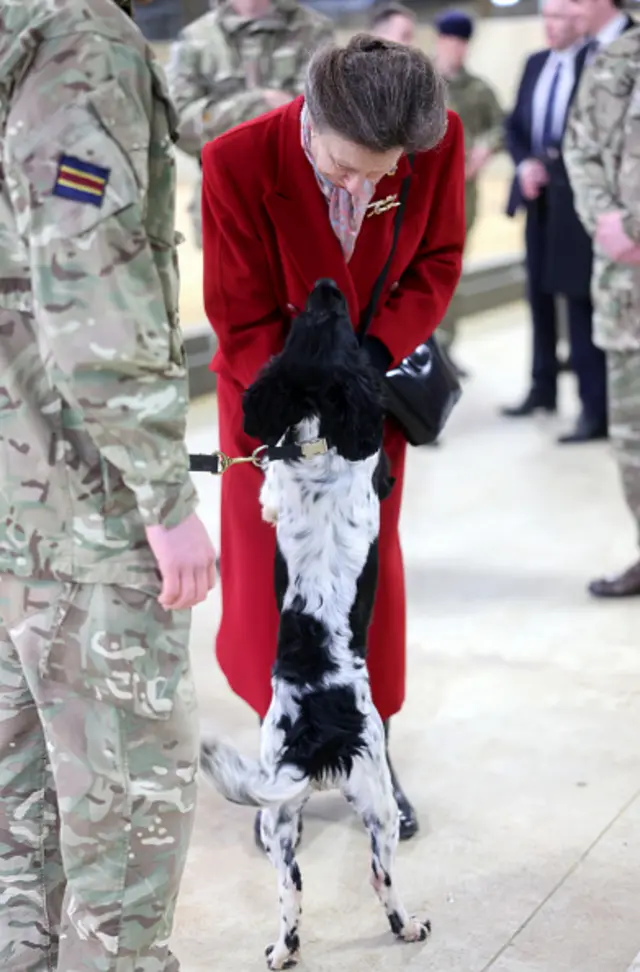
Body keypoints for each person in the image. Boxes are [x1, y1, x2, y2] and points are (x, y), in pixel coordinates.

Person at [202, 34, 466, 845]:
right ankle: (280, 749)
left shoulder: (434, 141)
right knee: (267, 576)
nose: (366, 184)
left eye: (381, 172)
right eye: (346, 170)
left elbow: (437, 261)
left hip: (368, 397)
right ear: (311, 122)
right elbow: (239, 313)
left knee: (364, 570)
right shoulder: (238, 162)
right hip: (269, 392)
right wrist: (298, 402)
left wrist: (371, 361)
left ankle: (370, 747)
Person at [0, 1, 217, 969]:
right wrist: (166, 502)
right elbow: (91, 287)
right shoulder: (81, 38)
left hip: (15, 488)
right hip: (79, 499)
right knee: (127, 788)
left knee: (23, 788)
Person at [500, 0, 608, 444]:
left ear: (580, 19)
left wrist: (554, 164)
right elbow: (515, 126)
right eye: (546, 16)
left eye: (560, 16)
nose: (551, 25)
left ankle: (593, 407)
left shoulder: (595, 62)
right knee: (538, 297)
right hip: (538, 199)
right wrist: (526, 164)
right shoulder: (535, 63)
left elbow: (589, 133)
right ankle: (542, 387)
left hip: (577, 202)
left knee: (577, 300)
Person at [564, 27, 640, 597]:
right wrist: (610, 226)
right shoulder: (612, 60)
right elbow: (580, 145)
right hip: (624, 288)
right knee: (632, 439)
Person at [166, 0, 334, 248]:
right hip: (224, 206)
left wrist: (224, 121)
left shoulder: (313, 30)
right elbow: (177, 124)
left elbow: (326, 115)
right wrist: (260, 102)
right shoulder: (196, 39)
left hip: (302, 202)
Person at [431, 10, 504, 377]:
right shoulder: (422, 83)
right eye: (449, 40)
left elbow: (501, 126)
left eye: (461, 42)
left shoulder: (478, 89)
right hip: (422, 197)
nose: (454, 49)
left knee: (452, 270)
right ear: (438, 40)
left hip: (463, 194)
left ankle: (445, 346)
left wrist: (486, 148)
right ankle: (418, 350)